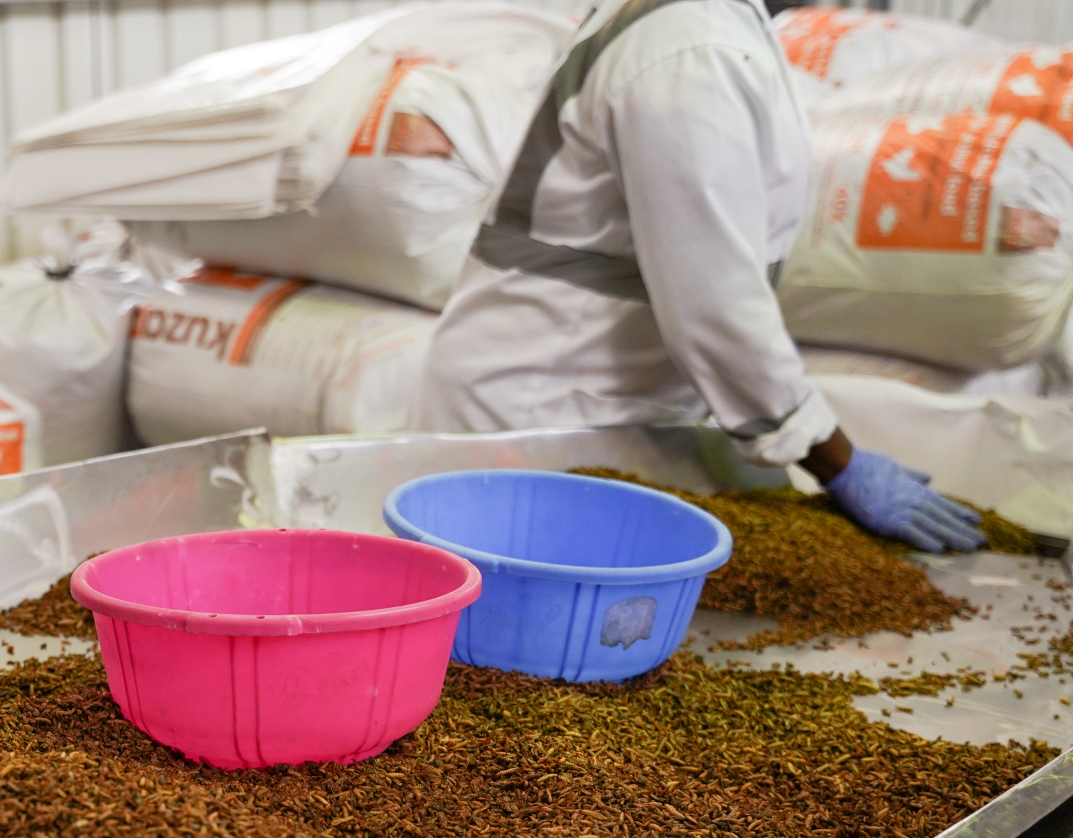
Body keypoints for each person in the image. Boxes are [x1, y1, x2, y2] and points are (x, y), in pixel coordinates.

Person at [414, 0, 985, 556]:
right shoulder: (692, 47)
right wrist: (834, 459)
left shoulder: (702, 25)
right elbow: (715, 302)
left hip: (579, 395)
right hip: (544, 406)